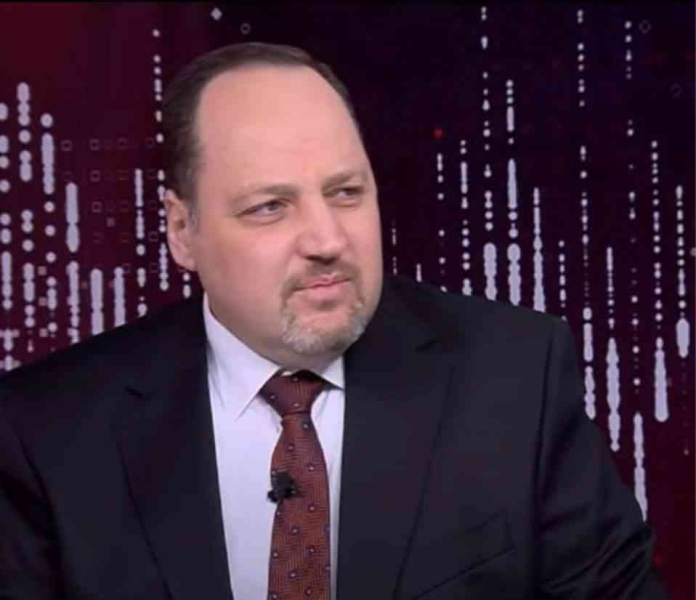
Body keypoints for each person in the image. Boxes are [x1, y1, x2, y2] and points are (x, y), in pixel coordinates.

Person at [0, 42, 668, 600]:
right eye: (270, 206)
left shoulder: (515, 377)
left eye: (346, 192)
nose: (327, 239)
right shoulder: (46, 430)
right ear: (182, 230)